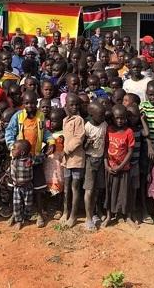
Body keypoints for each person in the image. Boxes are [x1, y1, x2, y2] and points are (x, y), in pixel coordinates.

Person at [5, 90, 54, 227]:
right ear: (23, 103)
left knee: (38, 189)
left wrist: (51, 142)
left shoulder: (40, 117)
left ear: (36, 103)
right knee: (14, 188)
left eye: (32, 103)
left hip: (35, 157)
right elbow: (9, 132)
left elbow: (45, 133)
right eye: (27, 103)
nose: (30, 105)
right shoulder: (18, 117)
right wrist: (12, 147)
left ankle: (39, 214)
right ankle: (15, 214)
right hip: (18, 160)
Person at [102, 104, 135, 228]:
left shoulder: (129, 132)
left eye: (122, 118)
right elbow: (105, 148)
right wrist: (106, 164)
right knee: (110, 193)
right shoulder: (109, 130)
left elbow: (130, 151)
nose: (120, 121)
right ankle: (109, 216)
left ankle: (127, 216)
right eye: (117, 118)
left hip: (123, 169)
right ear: (113, 118)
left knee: (124, 193)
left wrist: (121, 166)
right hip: (110, 168)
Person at [61, 93, 85, 227]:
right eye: (72, 105)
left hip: (76, 160)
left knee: (75, 187)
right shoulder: (65, 120)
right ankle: (65, 211)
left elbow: (78, 138)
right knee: (66, 187)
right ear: (66, 106)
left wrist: (66, 150)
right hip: (67, 161)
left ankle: (74, 215)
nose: (75, 107)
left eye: (77, 104)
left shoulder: (79, 120)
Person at [83, 101, 107, 231]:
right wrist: (88, 143)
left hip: (101, 159)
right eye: (100, 115)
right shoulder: (87, 127)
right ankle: (88, 218)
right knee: (89, 190)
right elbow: (83, 147)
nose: (103, 116)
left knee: (98, 189)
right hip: (90, 161)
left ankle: (95, 213)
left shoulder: (104, 124)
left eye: (103, 114)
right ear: (91, 115)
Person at [8, 139, 33, 230]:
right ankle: (18, 220)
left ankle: (26, 218)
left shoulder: (29, 160)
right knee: (17, 204)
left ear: (22, 152)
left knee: (28, 204)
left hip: (27, 187)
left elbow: (39, 159)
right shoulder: (13, 160)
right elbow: (10, 169)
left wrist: (45, 154)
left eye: (14, 149)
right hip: (17, 188)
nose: (12, 150)